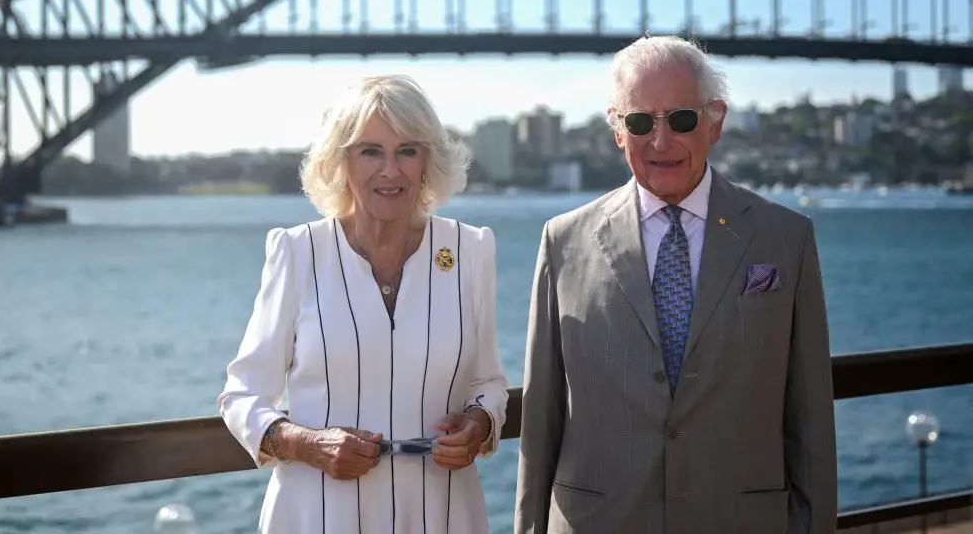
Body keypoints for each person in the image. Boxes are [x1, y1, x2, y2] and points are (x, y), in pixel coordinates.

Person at [515, 35, 837, 534]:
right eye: (641, 121)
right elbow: (541, 418)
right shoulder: (563, 241)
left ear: (716, 122)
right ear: (618, 130)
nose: (661, 142)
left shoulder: (786, 238)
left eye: (682, 119)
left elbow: (810, 417)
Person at [220, 74, 509, 533]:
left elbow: (488, 381)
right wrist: (307, 442)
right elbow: (243, 396)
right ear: (342, 161)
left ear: (427, 161)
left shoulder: (470, 250)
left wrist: (479, 423)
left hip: (442, 512)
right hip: (318, 515)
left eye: (407, 151)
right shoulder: (297, 253)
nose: (390, 171)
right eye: (370, 151)